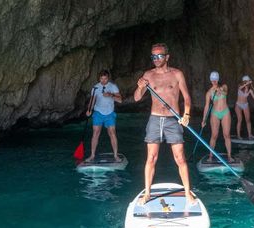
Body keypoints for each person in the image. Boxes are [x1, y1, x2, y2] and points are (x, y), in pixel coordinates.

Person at [134, 43, 195, 204]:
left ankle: (188, 193)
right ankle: (147, 193)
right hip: (154, 119)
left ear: (167, 57)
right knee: (151, 158)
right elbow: (136, 98)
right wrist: (140, 87)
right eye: (153, 56)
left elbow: (187, 98)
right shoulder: (148, 75)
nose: (156, 59)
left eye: (159, 55)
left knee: (180, 158)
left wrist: (186, 114)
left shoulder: (177, 74)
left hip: (172, 120)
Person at [85, 69, 122, 162]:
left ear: (108, 78)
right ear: (99, 78)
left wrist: (110, 95)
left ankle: (115, 156)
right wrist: (89, 110)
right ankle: (92, 155)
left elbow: (120, 100)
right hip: (98, 113)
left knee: (112, 133)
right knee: (95, 133)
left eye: (105, 79)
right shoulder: (95, 88)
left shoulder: (113, 87)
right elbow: (92, 100)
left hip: (109, 113)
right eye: (101, 79)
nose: (103, 81)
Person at [201, 71, 234, 162]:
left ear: (218, 79)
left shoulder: (224, 86)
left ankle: (229, 156)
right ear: (210, 80)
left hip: (225, 112)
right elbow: (206, 107)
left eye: (215, 79)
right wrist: (204, 120)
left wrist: (220, 90)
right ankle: (210, 156)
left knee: (226, 135)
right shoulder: (209, 93)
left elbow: (225, 93)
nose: (214, 81)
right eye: (212, 80)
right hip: (215, 113)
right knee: (214, 135)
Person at [234, 75, 254, 140]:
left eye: (248, 81)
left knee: (248, 120)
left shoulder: (250, 90)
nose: (247, 82)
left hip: (245, 105)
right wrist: (247, 82)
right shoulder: (240, 87)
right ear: (243, 81)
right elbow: (241, 87)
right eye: (246, 81)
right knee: (240, 120)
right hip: (238, 105)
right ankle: (238, 136)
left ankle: (250, 135)